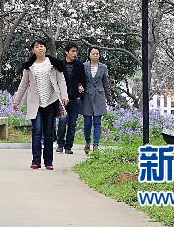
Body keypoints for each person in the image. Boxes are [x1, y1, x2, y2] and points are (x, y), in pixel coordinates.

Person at [13, 38, 68, 170]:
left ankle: (48, 162)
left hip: (50, 101)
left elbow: (61, 81)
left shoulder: (54, 64)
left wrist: (64, 96)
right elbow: (23, 85)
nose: (40, 48)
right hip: (35, 103)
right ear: (33, 50)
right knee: (37, 131)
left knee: (48, 132)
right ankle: (35, 161)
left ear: (45, 49)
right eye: (37, 47)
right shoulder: (29, 66)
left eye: (42, 46)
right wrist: (17, 101)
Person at [56, 41, 86, 154]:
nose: (75, 53)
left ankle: (68, 147)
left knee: (72, 124)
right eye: (73, 51)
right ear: (66, 52)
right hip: (62, 99)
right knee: (62, 122)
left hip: (75, 99)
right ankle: (60, 144)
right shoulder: (60, 65)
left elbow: (83, 81)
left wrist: (81, 88)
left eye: (76, 51)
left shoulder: (79, 65)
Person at [81, 46, 110, 154]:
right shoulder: (84, 66)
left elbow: (106, 83)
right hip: (87, 96)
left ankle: (96, 145)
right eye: (93, 53)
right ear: (89, 55)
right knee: (87, 122)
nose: (95, 55)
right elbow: (80, 80)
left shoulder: (103, 67)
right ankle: (87, 141)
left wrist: (109, 97)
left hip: (99, 96)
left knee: (97, 122)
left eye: (97, 53)